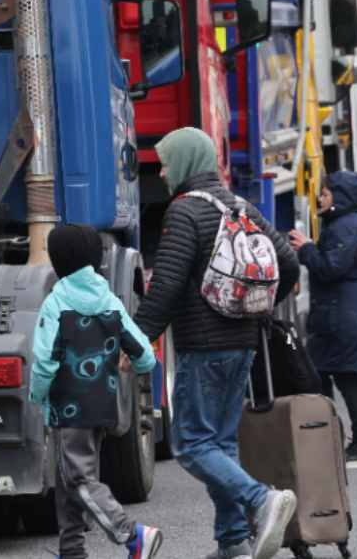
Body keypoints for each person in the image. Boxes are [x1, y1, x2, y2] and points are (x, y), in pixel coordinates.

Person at [133, 127, 301, 559]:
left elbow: (166, 286)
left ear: (187, 162)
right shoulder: (240, 206)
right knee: (221, 444)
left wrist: (135, 340)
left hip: (203, 346)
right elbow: (288, 262)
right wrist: (257, 309)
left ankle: (261, 499)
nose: (165, 172)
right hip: (243, 342)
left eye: (168, 162)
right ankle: (233, 543)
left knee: (191, 445)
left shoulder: (184, 212)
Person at [29, 224, 163, 559]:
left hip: (68, 408)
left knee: (78, 479)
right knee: (70, 478)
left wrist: (37, 395)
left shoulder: (56, 303)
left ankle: (132, 534)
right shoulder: (110, 302)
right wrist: (126, 364)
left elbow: (44, 362)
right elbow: (146, 356)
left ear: (59, 261)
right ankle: (71, 551)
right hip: (104, 407)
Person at [287, 172, 357, 462]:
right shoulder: (346, 225)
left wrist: (306, 248)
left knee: (344, 377)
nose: (320, 198)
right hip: (342, 312)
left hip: (343, 315)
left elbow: (330, 267)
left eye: (326, 194)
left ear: (339, 198)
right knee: (328, 374)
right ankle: (334, 436)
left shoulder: (345, 228)